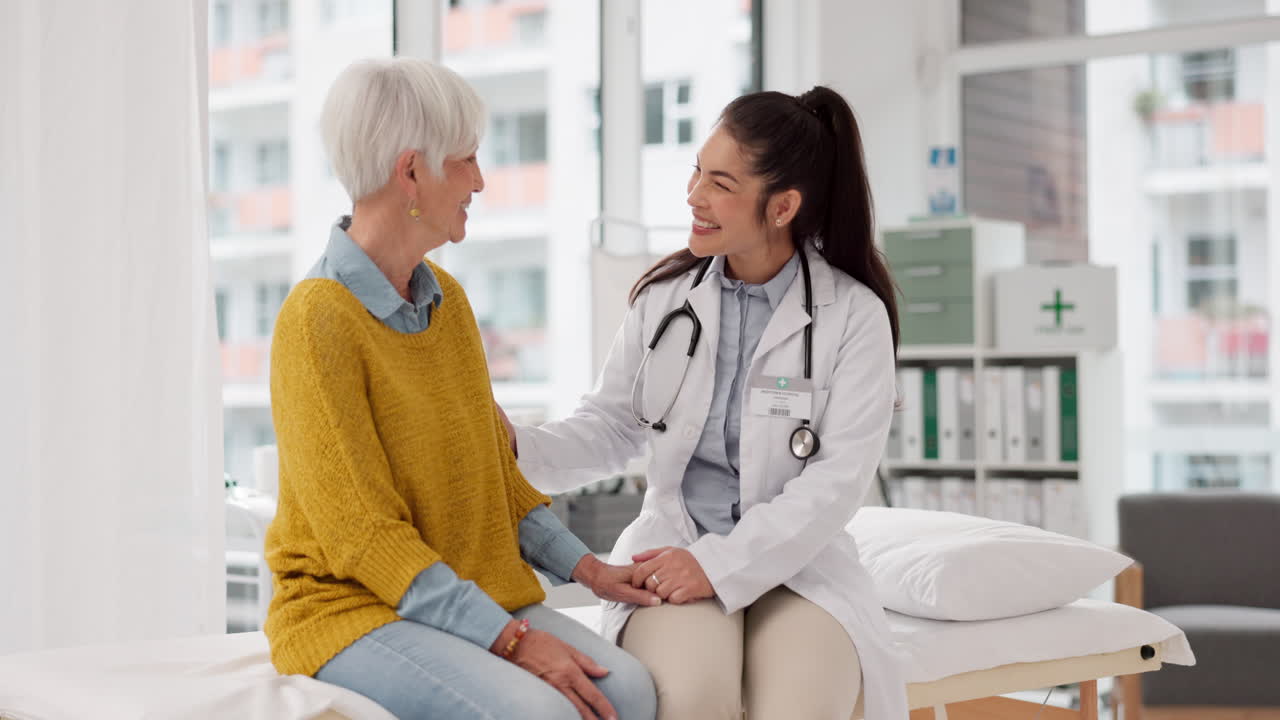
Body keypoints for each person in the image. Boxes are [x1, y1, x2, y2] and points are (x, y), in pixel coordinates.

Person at [263, 57, 658, 720]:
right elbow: (365, 537)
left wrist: (590, 570)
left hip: (460, 595)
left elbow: (498, 483)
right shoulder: (316, 322)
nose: (479, 180)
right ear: (411, 170)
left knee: (633, 689)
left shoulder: (450, 304)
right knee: (543, 715)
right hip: (349, 609)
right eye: (466, 160)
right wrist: (513, 640)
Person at [500, 87, 908, 719]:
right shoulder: (666, 300)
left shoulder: (852, 316)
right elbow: (612, 426)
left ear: (782, 206)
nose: (694, 195)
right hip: (672, 551)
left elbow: (834, 485)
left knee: (800, 707)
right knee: (692, 698)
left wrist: (716, 565)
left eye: (720, 183)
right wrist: (519, 446)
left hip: (798, 564)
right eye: (697, 170)